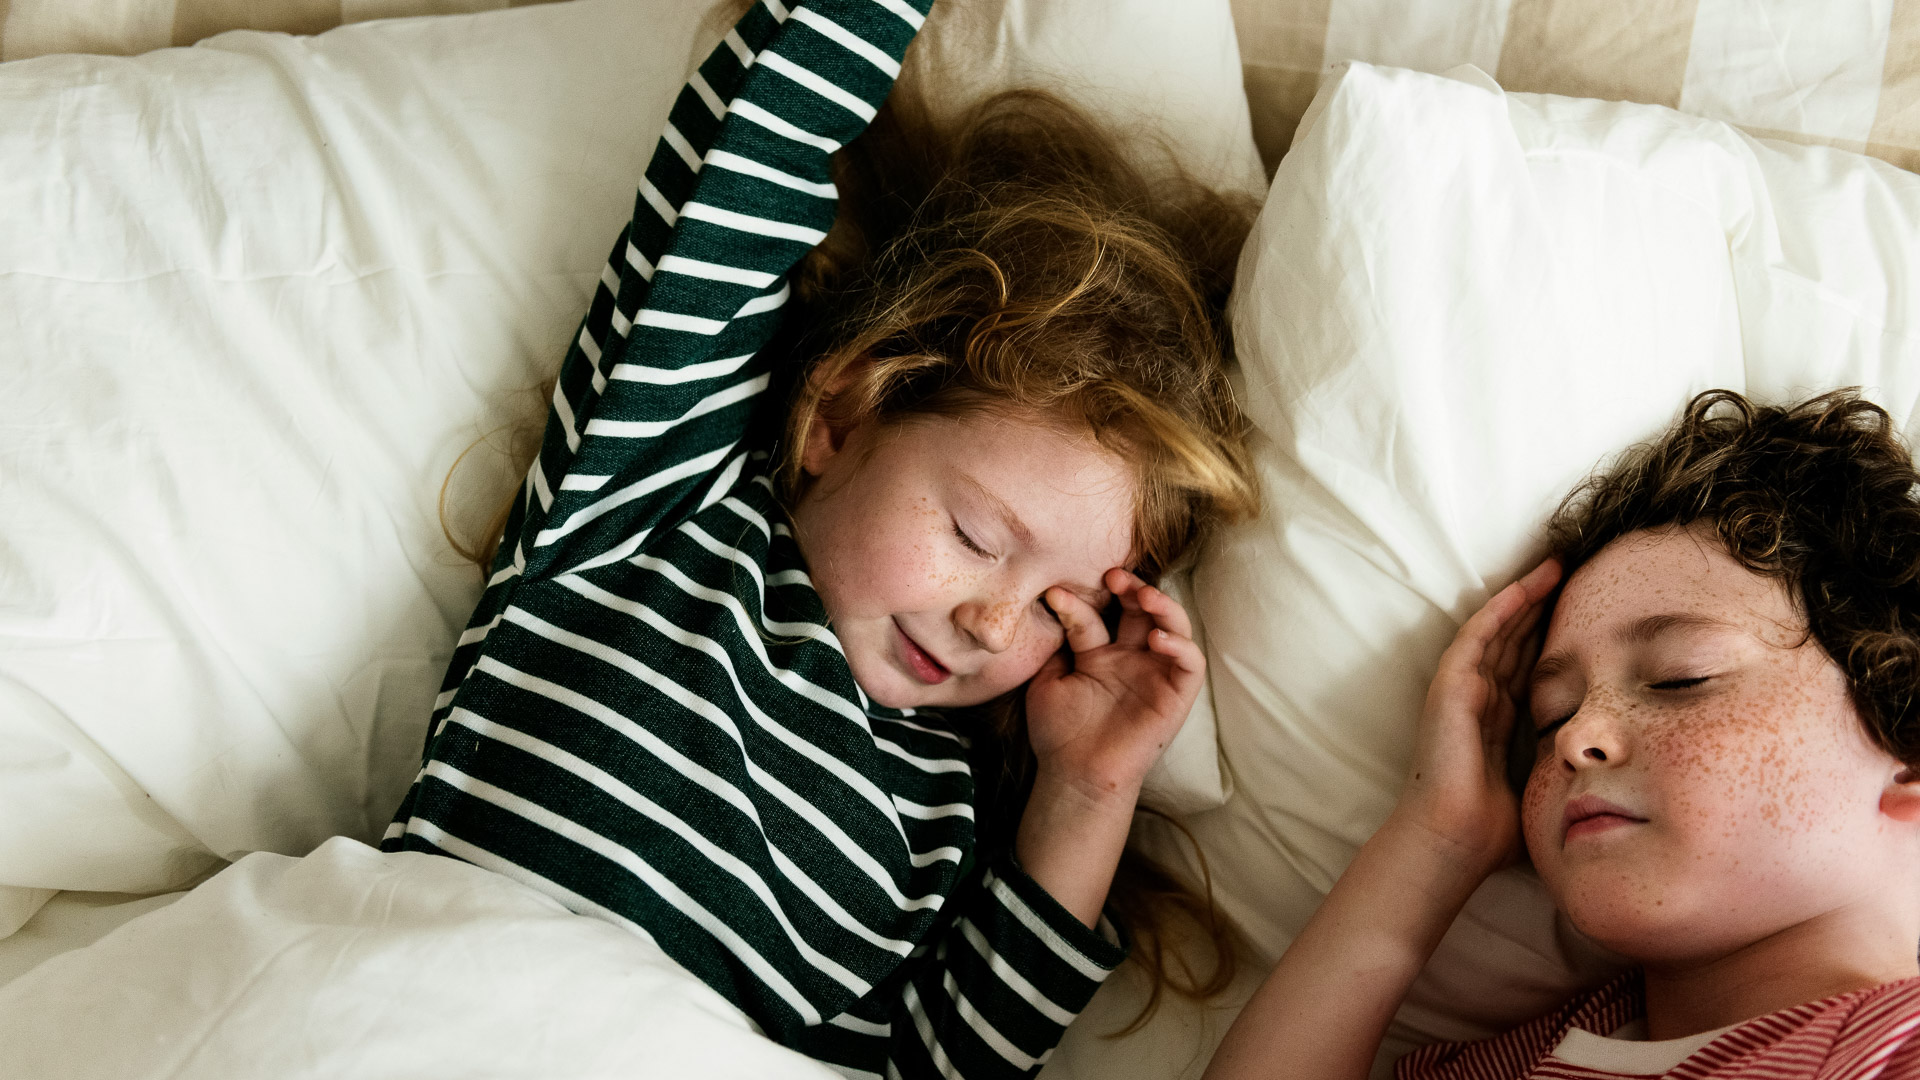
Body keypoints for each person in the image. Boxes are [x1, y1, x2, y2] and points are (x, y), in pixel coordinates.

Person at [382, 1, 1258, 1078]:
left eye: (1056, 608)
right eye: (978, 535)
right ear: (841, 416)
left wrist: (1086, 792)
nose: (992, 622)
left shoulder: (948, 821)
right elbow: (739, 165)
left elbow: (943, 1071)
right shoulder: (651, 516)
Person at [1205, 389, 1920, 1080]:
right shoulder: (1510, 1064)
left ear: (1908, 754)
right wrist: (1435, 841)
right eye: (1549, 718)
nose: (1579, 737)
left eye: (1679, 679)